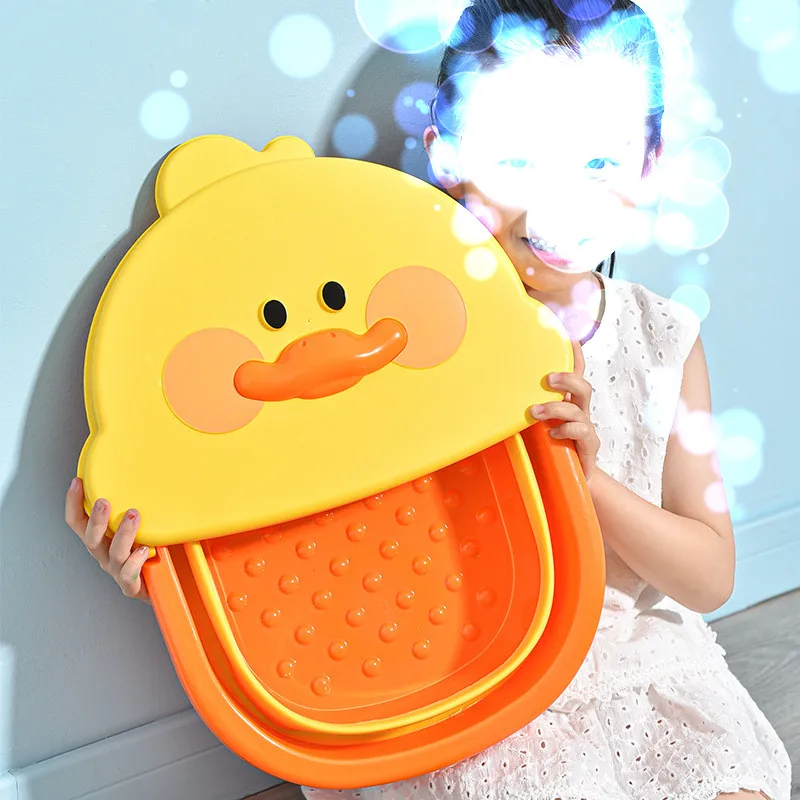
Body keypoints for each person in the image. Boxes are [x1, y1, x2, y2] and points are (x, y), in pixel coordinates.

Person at [65, 1, 792, 797]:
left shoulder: (662, 338)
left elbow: (708, 578)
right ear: (448, 155)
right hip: (467, 677)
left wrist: (586, 482)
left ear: (649, 165)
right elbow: (305, 529)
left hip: (641, 667)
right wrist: (162, 557)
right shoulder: (394, 350)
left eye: (598, 162)